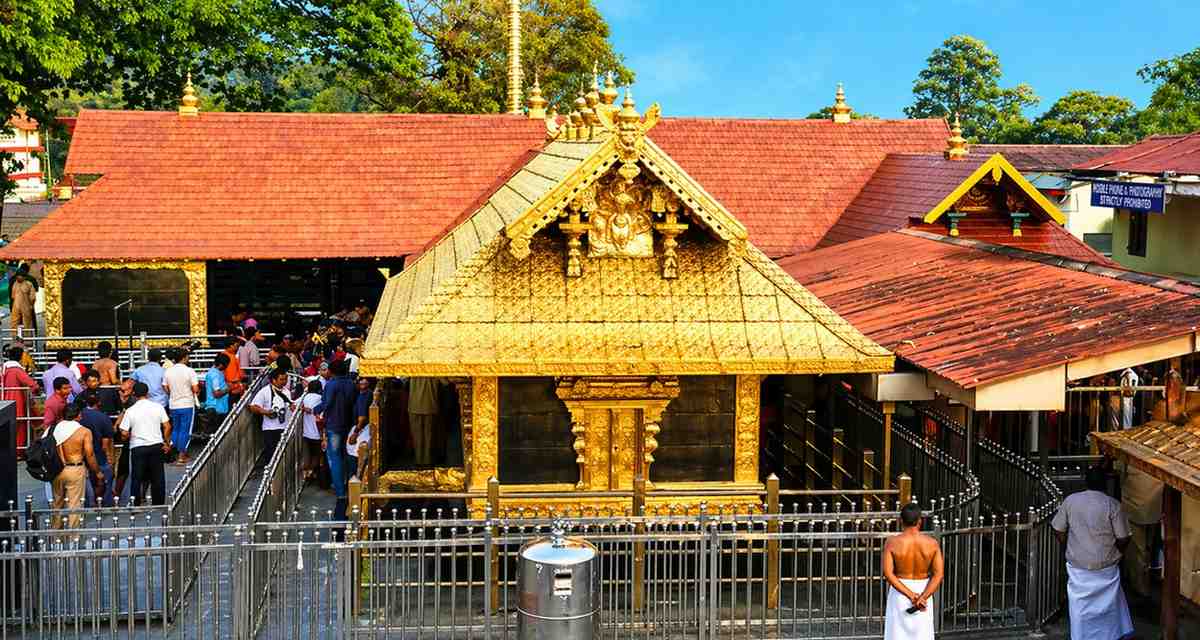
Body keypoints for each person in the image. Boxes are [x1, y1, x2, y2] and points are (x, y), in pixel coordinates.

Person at [1052, 466, 1134, 640]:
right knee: (1108, 609)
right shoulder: (1112, 504)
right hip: (1106, 567)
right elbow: (1123, 537)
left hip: (1078, 566)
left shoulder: (1071, 501)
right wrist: (1117, 551)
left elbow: (1058, 529)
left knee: (1080, 608)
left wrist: (1067, 545)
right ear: (1105, 483)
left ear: (1085, 481)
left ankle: (1080, 636)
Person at [882, 503, 943, 640]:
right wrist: (922, 597)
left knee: (897, 634)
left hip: (900, 591)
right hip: (924, 590)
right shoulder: (932, 543)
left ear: (901, 521)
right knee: (922, 634)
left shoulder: (892, 543)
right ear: (920, 521)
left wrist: (911, 595)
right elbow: (938, 574)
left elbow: (888, 573)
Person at [50, 404, 104, 529]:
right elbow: (89, 454)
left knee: (57, 504)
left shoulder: (55, 428)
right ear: (78, 415)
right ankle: (74, 537)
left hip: (57, 469)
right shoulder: (84, 432)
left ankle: (54, 537)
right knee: (74, 505)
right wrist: (97, 472)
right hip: (75, 468)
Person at [118, 382, 172, 506]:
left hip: (138, 447)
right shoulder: (157, 407)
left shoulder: (131, 410)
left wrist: (126, 436)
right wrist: (166, 442)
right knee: (158, 477)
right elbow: (167, 426)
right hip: (156, 445)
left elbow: (124, 432)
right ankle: (158, 504)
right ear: (147, 393)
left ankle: (135, 503)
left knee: (136, 477)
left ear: (134, 394)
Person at [314, 360, 357, 515]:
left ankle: (340, 491)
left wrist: (316, 409)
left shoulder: (331, 385)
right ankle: (350, 484)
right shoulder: (351, 384)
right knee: (348, 455)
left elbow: (327, 403)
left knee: (334, 457)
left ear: (332, 371)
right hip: (349, 424)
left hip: (334, 425)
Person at [78, 390, 116, 507]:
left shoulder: (79, 416)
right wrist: (111, 457)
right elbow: (106, 443)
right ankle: (107, 501)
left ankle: (89, 503)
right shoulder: (103, 417)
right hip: (99, 455)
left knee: (86, 481)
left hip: (81, 455)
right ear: (99, 402)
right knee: (107, 478)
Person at [250, 368, 291, 470]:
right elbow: (252, 407)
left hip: (284, 427)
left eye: (285, 379)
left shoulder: (286, 391)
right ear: (273, 380)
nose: (284, 382)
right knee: (271, 453)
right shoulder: (264, 391)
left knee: (282, 453)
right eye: (281, 379)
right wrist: (265, 412)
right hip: (270, 429)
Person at [163, 348, 199, 464]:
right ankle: (181, 456)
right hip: (187, 404)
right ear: (184, 358)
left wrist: (173, 393)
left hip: (173, 404)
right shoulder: (189, 371)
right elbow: (195, 389)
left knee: (176, 429)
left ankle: (174, 453)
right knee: (185, 430)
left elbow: (165, 387)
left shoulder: (168, 371)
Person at [2, 346, 39, 455]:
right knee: (20, 428)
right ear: (21, 357)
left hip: (4, 401)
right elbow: (32, 384)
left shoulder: (4, 369)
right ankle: (18, 452)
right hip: (17, 403)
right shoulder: (17, 370)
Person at [298, 380, 326, 485]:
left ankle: (307, 474)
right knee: (317, 455)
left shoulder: (305, 398)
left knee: (307, 455)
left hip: (306, 432)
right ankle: (313, 473)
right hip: (318, 433)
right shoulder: (321, 399)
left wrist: (304, 409)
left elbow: (295, 405)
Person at [409, 378, 441, 466]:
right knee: (429, 435)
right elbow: (445, 382)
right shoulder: (434, 366)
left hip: (414, 405)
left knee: (417, 436)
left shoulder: (412, 365)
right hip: (430, 405)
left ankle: (419, 461)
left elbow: (402, 378)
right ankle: (427, 461)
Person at [348, 377, 373, 480]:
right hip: (366, 428)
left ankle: (355, 481)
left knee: (354, 455)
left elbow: (362, 418)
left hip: (362, 430)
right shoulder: (369, 394)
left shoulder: (363, 396)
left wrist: (355, 433)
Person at [203, 352, 232, 434]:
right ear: (222, 365)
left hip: (217, 408)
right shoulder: (215, 375)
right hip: (216, 409)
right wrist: (229, 388)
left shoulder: (214, 372)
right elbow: (217, 394)